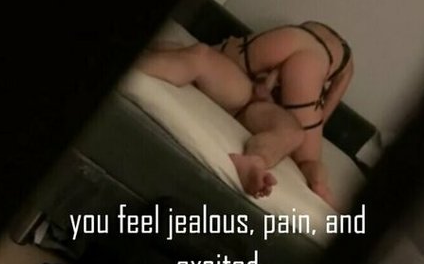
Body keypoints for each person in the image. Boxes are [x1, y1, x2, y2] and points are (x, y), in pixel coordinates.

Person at [135, 21, 353, 207]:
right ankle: (306, 181)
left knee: (200, 55)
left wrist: (269, 83)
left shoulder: (314, 33)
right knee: (301, 145)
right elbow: (324, 114)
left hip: (266, 61)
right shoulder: (344, 64)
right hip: (298, 71)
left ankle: (255, 162)